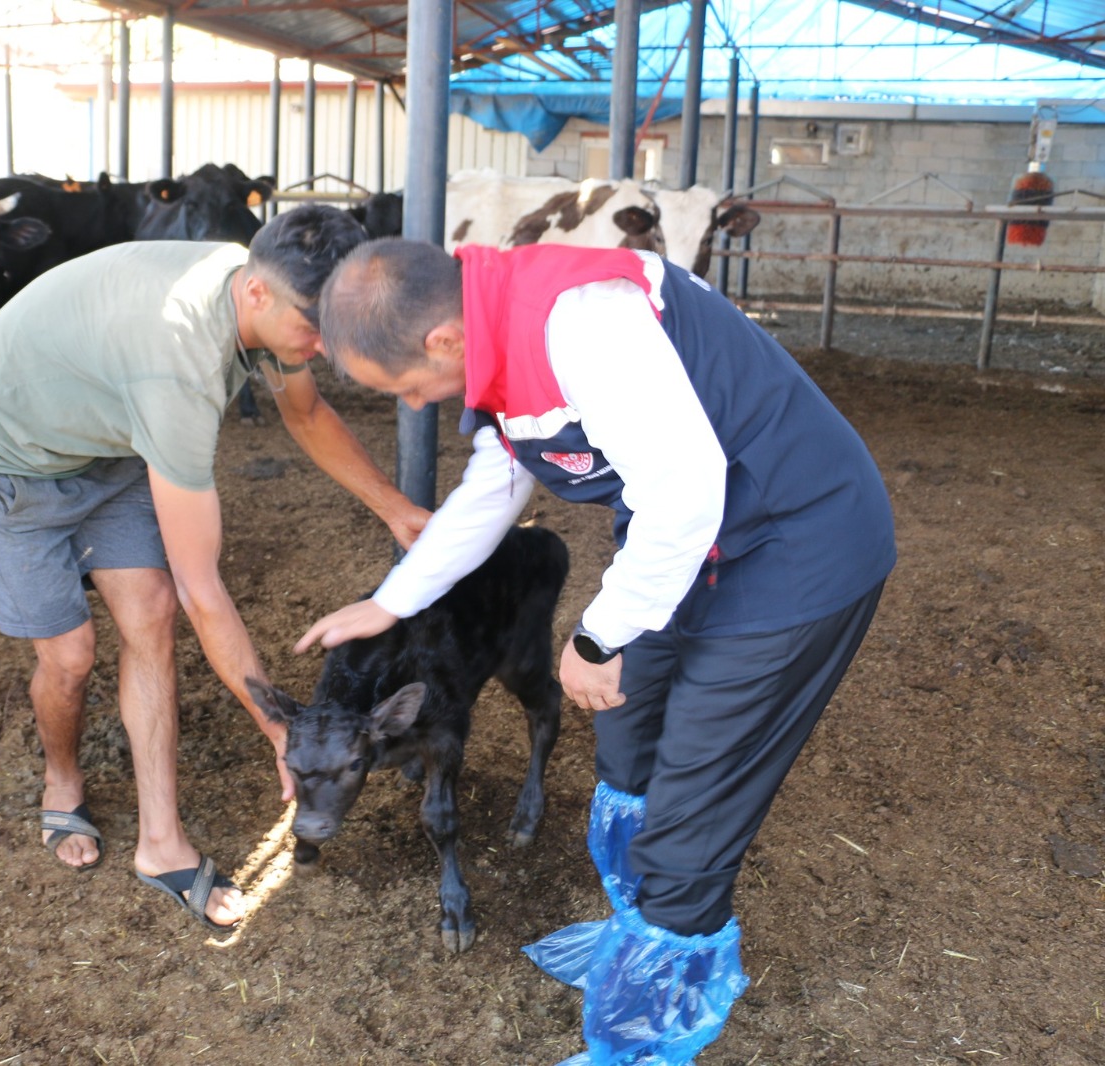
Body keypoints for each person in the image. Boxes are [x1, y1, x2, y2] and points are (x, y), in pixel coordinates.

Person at [297, 238, 895, 1063]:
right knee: (626, 731)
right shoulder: (495, 329)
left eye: (402, 389)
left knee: (695, 800)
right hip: (689, 547)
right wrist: (391, 600)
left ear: (441, 342)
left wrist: (596, 635)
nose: (410, 404)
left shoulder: (584, 323)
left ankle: (648, 1027)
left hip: (792, 546)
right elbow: (498, 482)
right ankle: (635, 933)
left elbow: (684, 493)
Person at [0, 207, 428, 932]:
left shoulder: (266, 288)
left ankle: (160, 843)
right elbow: (209, 592)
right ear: (257, 294)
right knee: (71, 656)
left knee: (151, 610)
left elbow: (307, 413)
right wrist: (278, 732)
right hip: (7, 451)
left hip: (107, 439)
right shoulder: (179, 369)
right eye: (314, 328)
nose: (323, 348)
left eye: (336, 327)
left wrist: (396, 510)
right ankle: (62, 775)